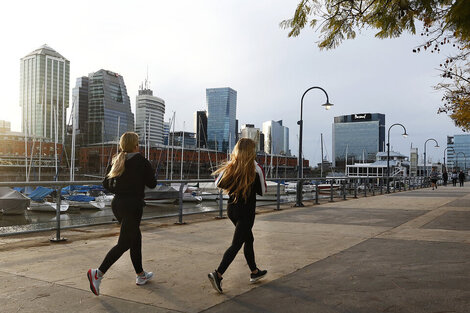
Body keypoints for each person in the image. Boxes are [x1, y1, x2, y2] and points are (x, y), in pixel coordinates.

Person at [87, 132, 157, 296]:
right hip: (133, 206)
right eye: (138, 143)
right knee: (125, 243)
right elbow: (152, 184)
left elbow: (106, 183)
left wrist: (120, 191)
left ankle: (141, 275)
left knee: (135, 238)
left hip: (117, 204)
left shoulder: (116, 159)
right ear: (135, 145)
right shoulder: (141, 161)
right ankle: (98, 273)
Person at [208, 138, 268, 294]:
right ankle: (218, 274)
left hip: (232, 210)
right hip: (246, 212)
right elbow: (263, 190)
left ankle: (254, 272)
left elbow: (218, 183)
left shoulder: (230, 166)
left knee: (249, 239)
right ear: (250, 151)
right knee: (237, 244)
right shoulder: (255, 168)